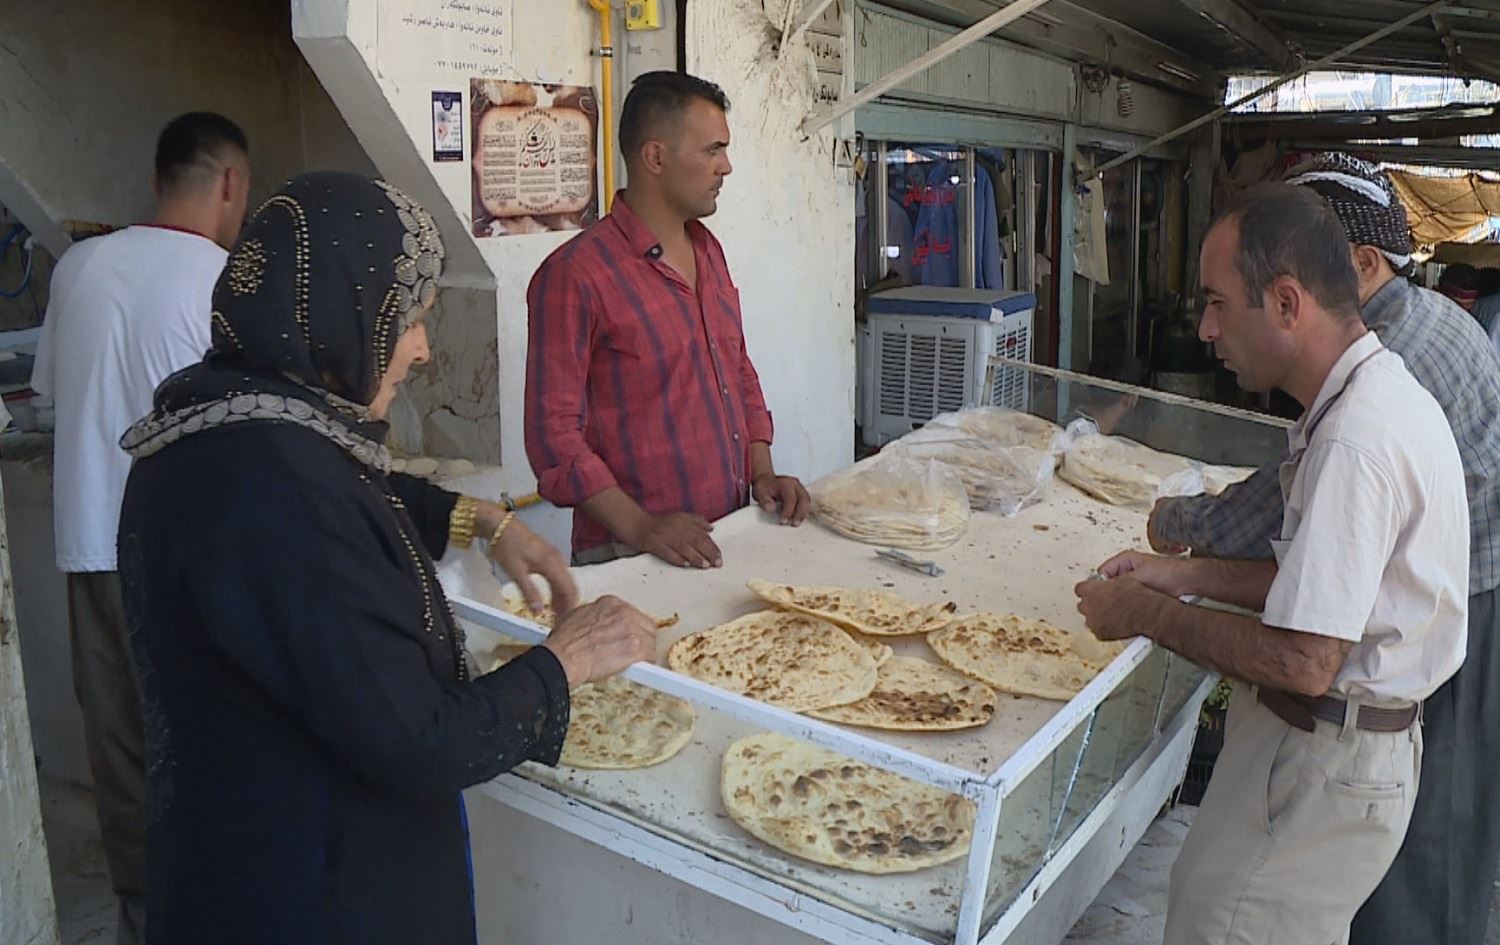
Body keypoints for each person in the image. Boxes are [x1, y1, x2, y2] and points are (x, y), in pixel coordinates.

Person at [115, 172, 657, 944]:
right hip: (309, 894)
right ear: (343, 316)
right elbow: (420, 741)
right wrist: (564, 662)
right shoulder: (278, 494)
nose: (424, 350)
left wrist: (480, 521)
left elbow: (354, 484)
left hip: (225, 860)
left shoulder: (223, 417)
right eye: (409, 322)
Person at [1076, 182, 1469, 945]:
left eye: (1219, 303)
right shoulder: (1365, 397)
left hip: (1326, 756)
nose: (1207, 327)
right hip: (1332, 752)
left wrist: (1146, 616)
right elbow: (1324, 590)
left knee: (1224, 924)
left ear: (1287, 304)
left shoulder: (1358, 439)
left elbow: (1306, 655)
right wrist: (1181, 576)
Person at [29, 110, 252, 945]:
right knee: (204, 738)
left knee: (120, 747)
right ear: (229, 183)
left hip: (91, 545)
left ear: (161, 178)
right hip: (188, 552)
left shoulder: (78, 268)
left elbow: (52, 396)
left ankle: (146, 918)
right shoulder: (223, 281)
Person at [525, 71, 810, 569]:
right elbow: (553, 439)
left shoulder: (708, 250)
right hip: (630, 554)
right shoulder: (575, 275)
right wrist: (641, 526)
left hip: (726, 532)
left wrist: (762, 473)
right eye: (713, 150)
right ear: (655, 157)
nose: (727, 167)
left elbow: (737, 370)